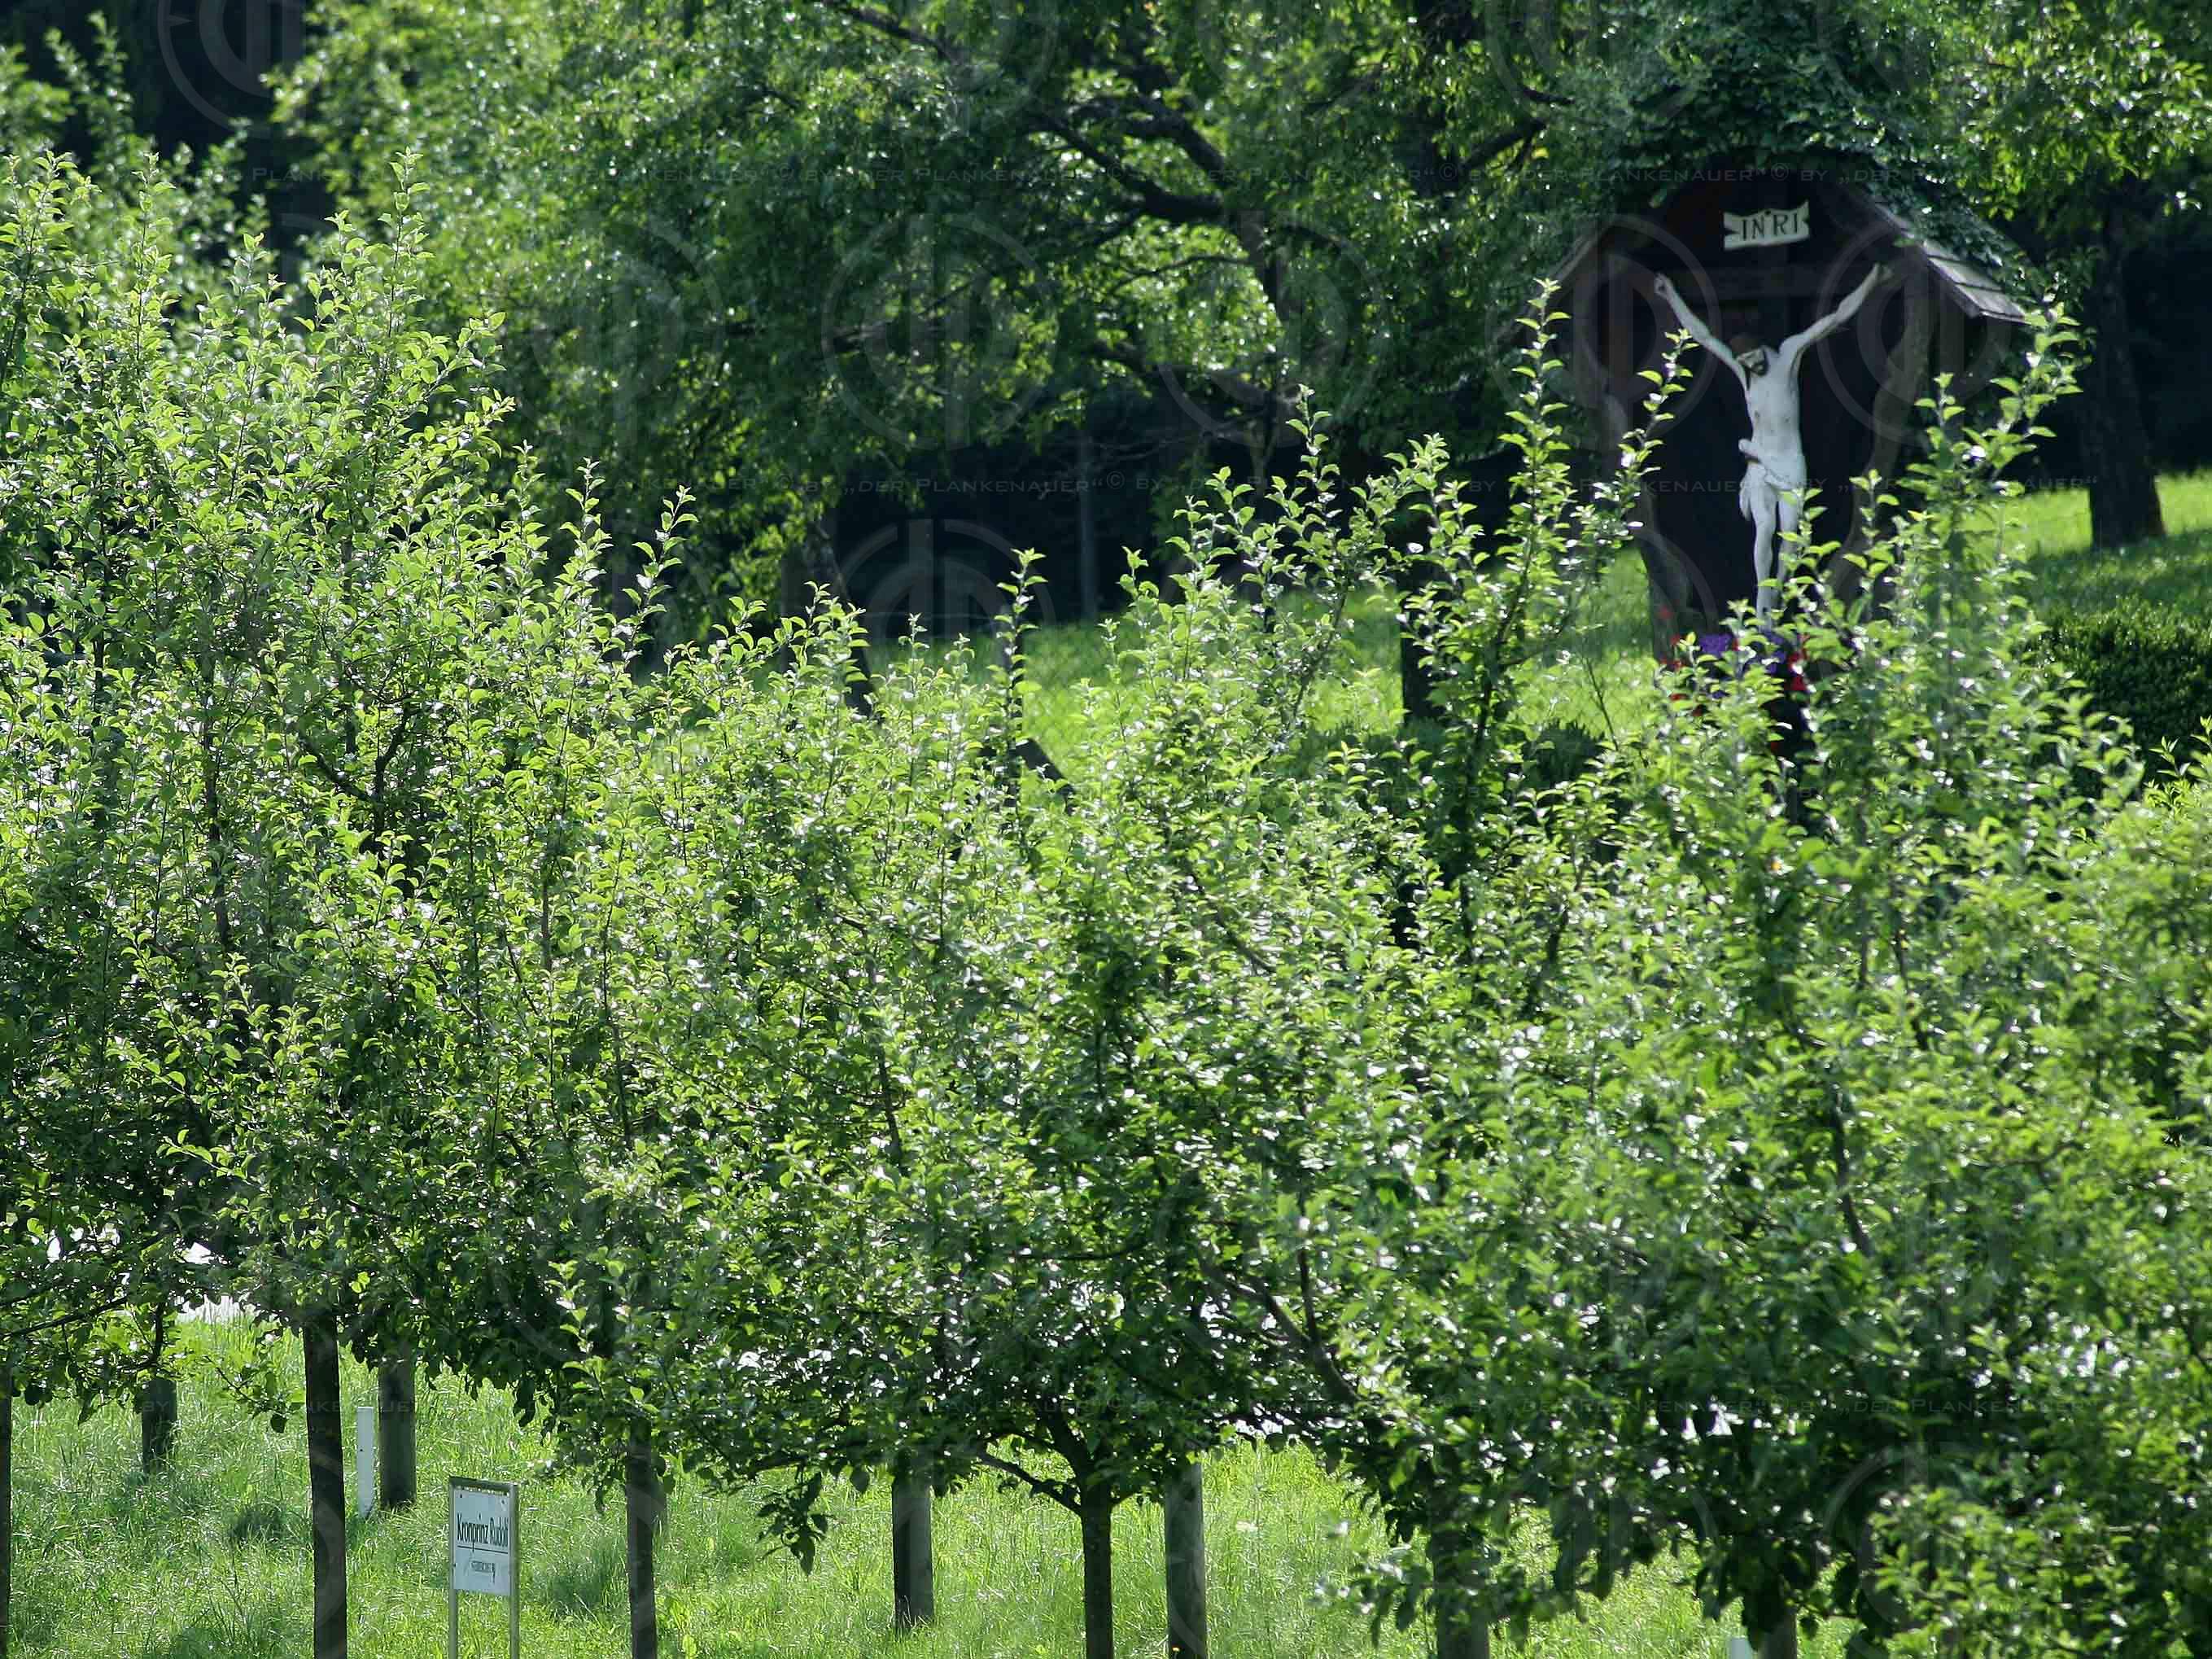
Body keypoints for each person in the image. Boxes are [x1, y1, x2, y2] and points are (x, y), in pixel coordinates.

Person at [1652, 263, 1890, 620]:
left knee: (1790, 538)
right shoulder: (1745, 375)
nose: (1749, 364)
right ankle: (1764, 603)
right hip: (1759, 462)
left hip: (1791, 461)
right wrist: (1671, 295)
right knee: (1764, 529)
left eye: (1752, 357)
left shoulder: (1789, 355)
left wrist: (1871, 281)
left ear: (1763, 348)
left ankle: (1776, 594)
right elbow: (1702, 337)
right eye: (1744, 361)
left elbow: (1834, 317)